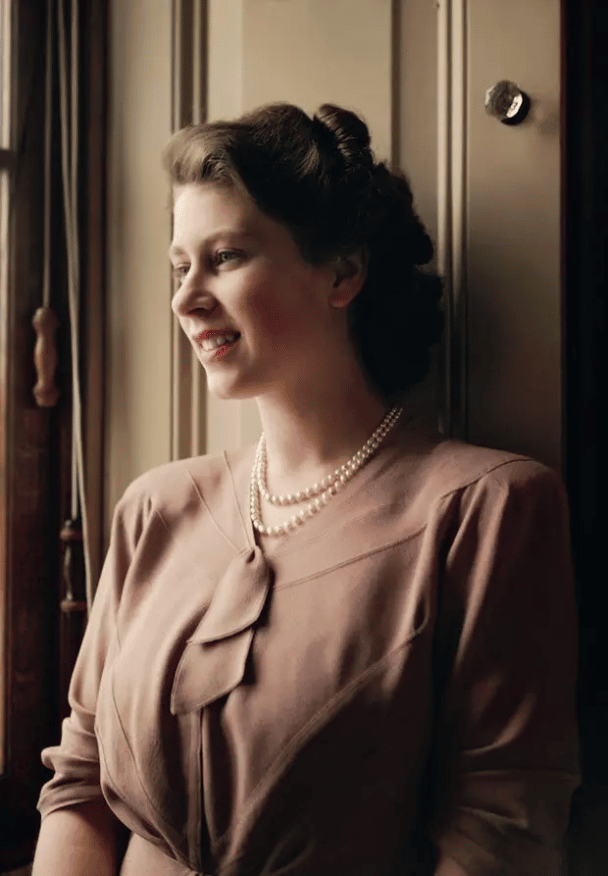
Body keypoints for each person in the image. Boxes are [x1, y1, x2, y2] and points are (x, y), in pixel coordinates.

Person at [33, 103, 579, 876]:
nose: (185, 299)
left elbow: (499, 832)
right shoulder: (154, 508)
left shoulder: (485, 510)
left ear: (344, 272)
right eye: (179, 267)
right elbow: (81, 785)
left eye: (224, 257)